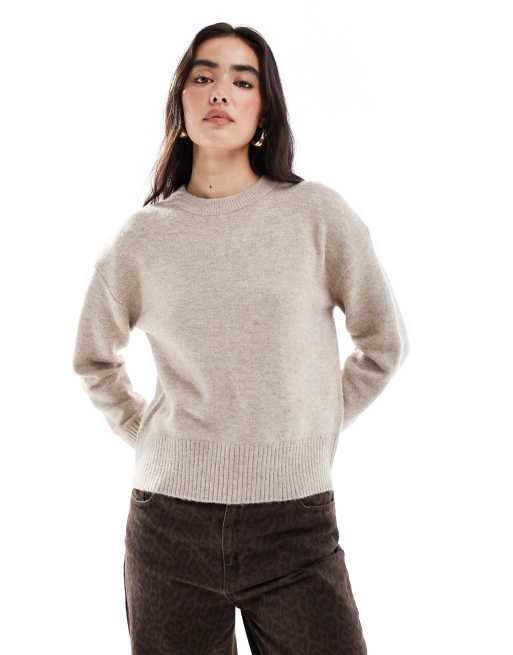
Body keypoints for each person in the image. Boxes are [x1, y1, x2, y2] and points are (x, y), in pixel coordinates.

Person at [72, 21, 409, 655]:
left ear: (264, 109)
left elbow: (382, 343)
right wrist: (146, 434)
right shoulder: (143, 238)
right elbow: (93, 359)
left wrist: (311, 422)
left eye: (242, 80)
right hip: (168, 527)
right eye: (203, 77)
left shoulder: (317, 216)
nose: (220, 91)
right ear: (181, 103)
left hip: (296, 523)